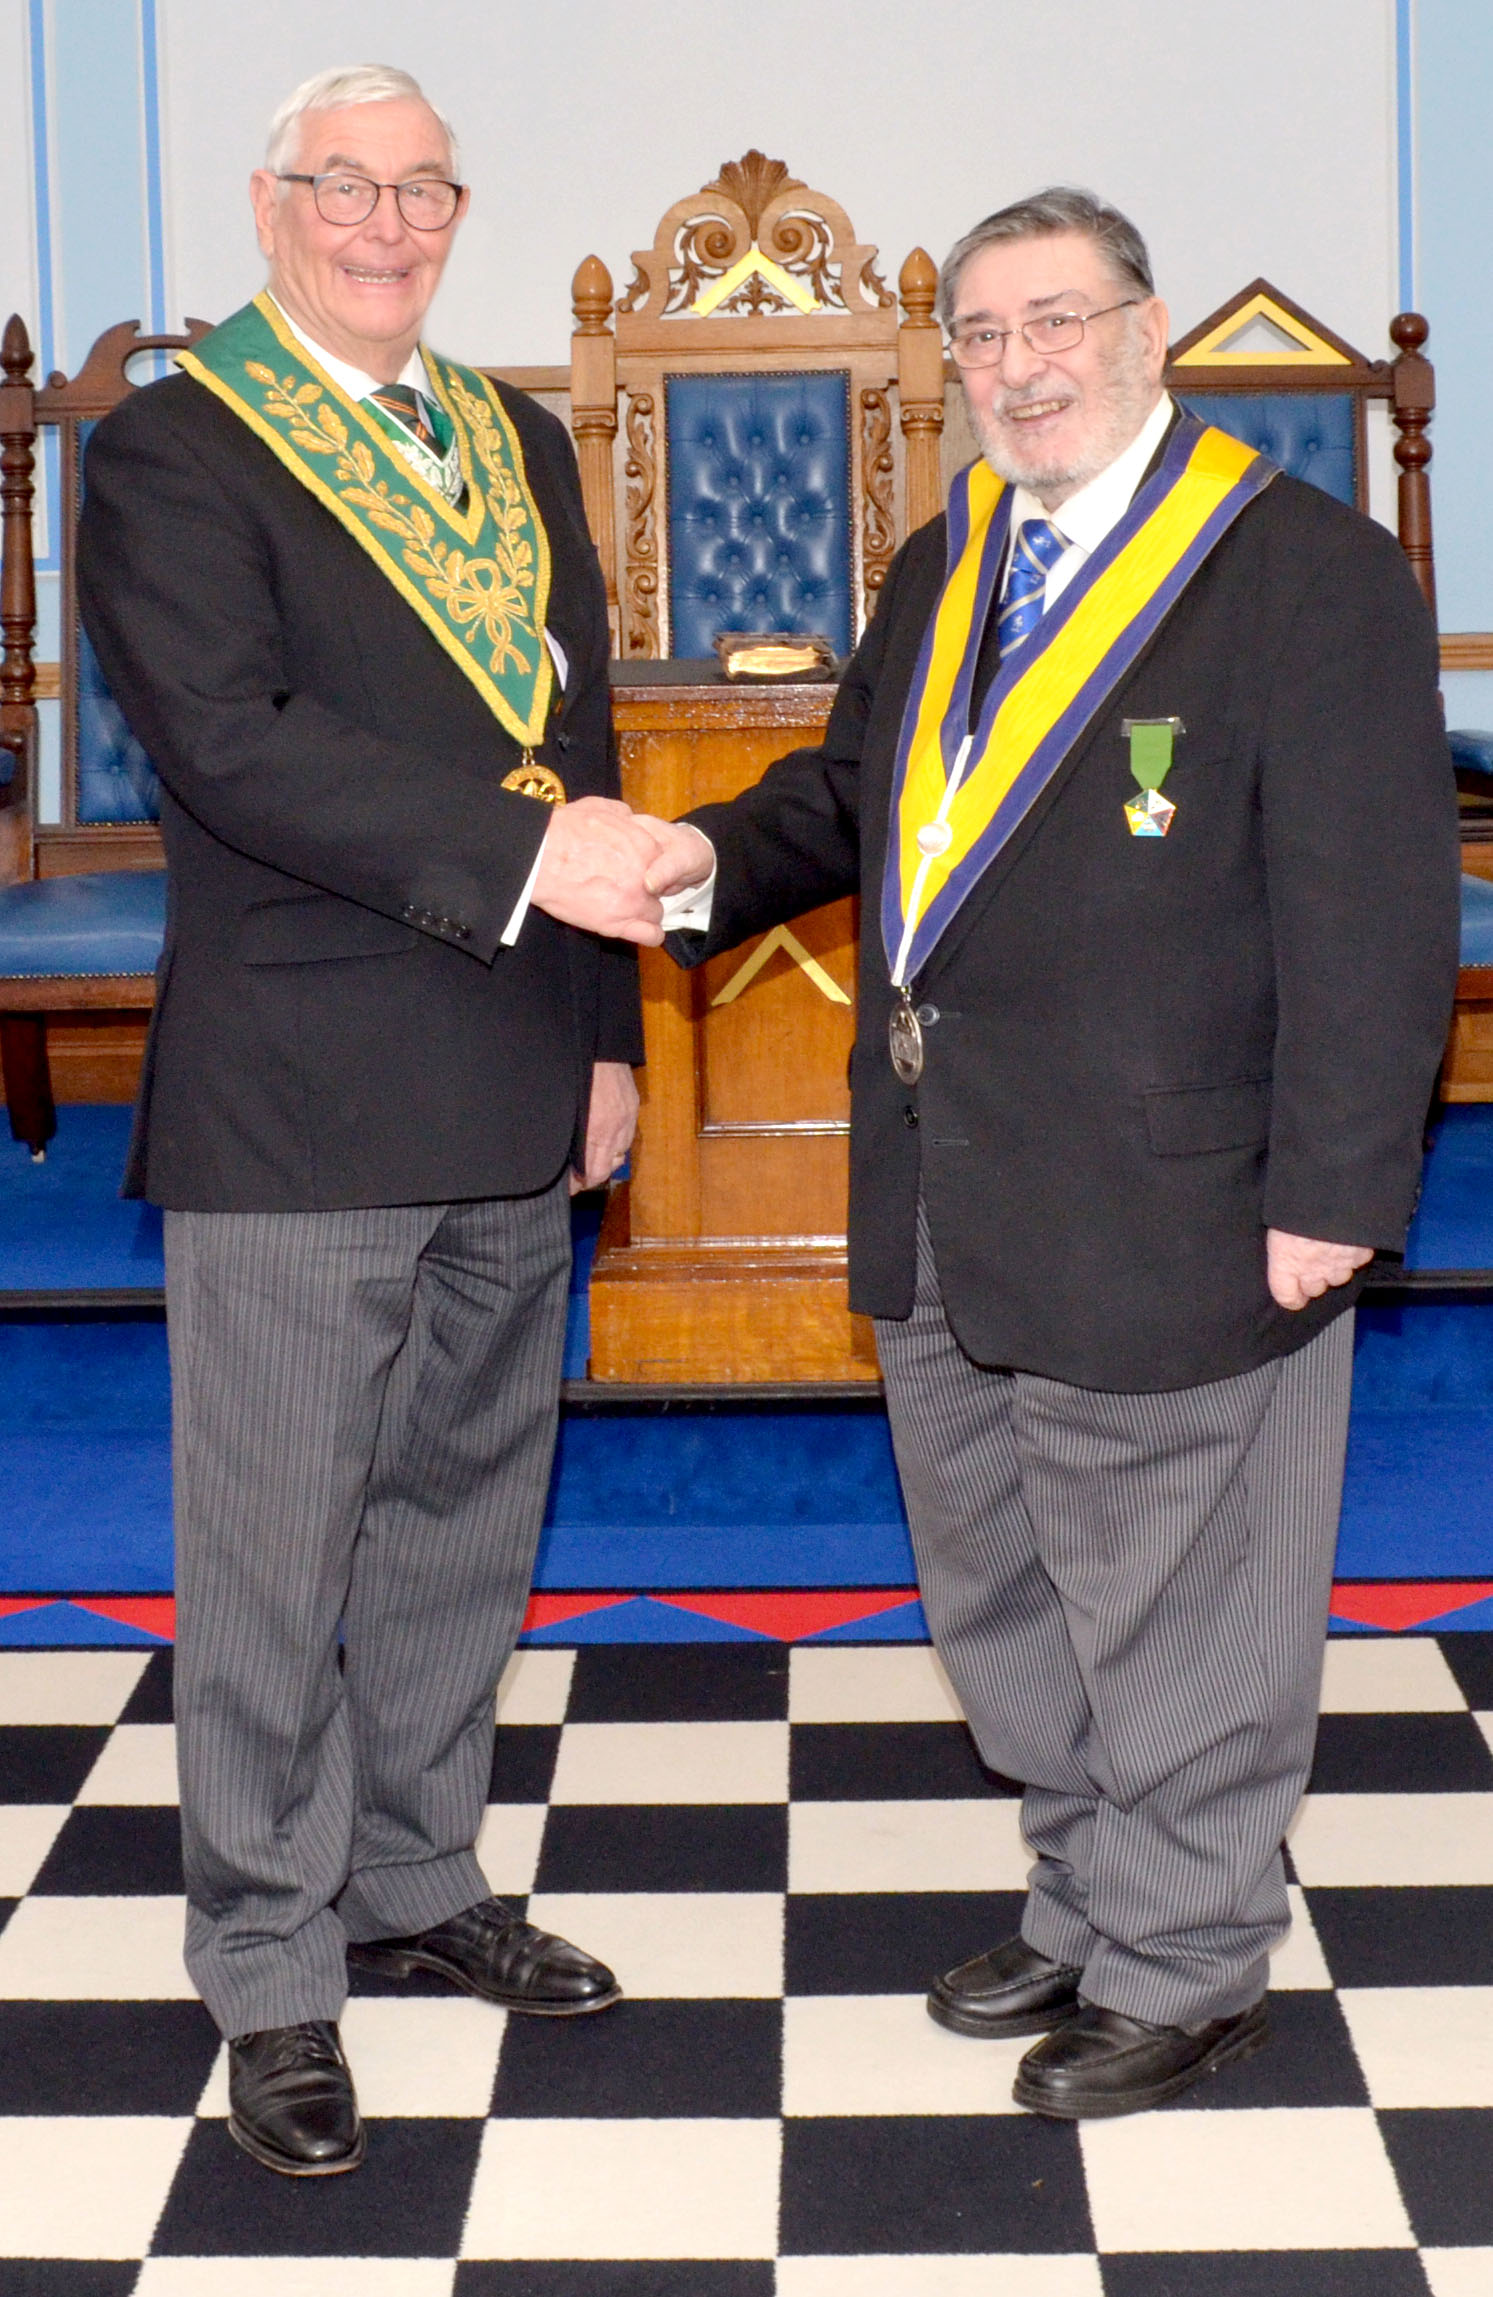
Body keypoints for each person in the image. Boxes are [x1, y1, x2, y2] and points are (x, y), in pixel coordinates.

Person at [641, 187, 1459, 2118]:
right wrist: (690, 863)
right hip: (946, 1179)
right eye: (983, 337)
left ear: (1146, 327)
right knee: (1008, 1586)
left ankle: (1188, 1959)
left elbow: (1376, 915)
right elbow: (857, 799)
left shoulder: (1301, 572)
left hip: (1181, 1194)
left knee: (1182, 1599)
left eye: (1053, 321)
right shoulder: (951, 561)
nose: (1018, 367)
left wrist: (1333, 1194)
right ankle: (1093, 1888)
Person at [78, 65, 671, 2177]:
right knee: (272, 1557)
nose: (386, 221)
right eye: (347, 184)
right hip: (302, 1091)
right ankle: (267, 1964)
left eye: (422, 188)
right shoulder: (176, 445)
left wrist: (604, 1030)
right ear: (271, 205)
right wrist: (547, 879)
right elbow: (227, 748)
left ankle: (418, 1881)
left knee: (459, 1529)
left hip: (521, 1070)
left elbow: (576, 741)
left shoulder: (512, 435)